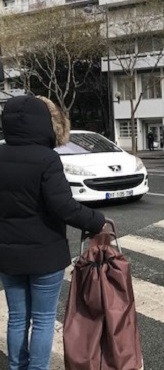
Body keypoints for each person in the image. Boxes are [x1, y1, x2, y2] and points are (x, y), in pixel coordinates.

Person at [0, 95, 106, 370]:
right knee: (44, 318)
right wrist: (96, 221)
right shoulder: (47, 159)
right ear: (43, 124)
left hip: (7, 255)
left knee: (17, 317)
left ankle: (16, 367)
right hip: (45, 253)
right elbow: (63, 206)